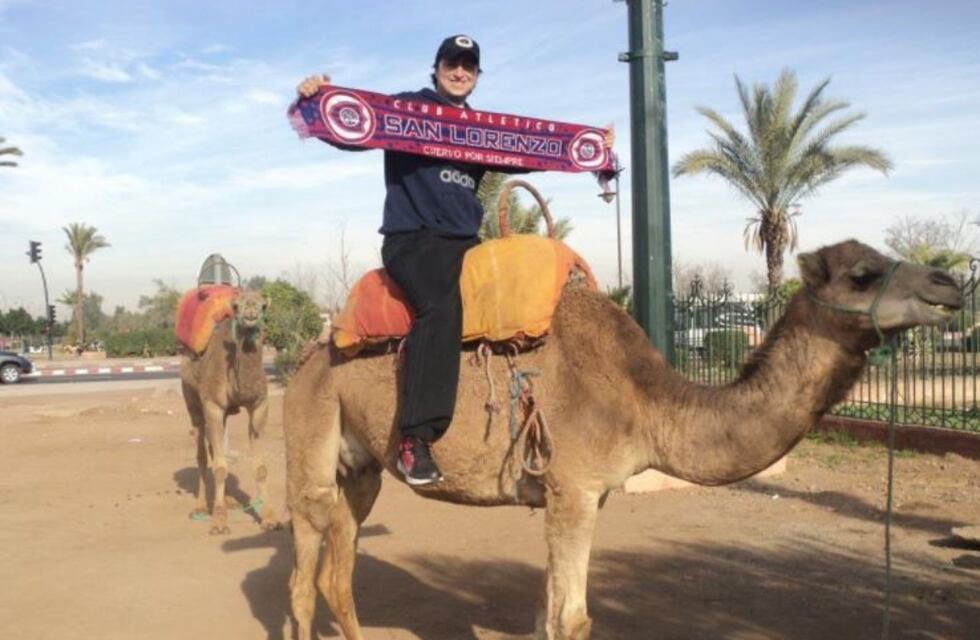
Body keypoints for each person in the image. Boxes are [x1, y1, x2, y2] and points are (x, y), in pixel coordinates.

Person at [297, 34, 613, 486]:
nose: (460, 71)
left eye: (469, 65)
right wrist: (317, 100)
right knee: (441, 307)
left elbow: (533, 150)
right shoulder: (408, 110)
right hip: (414, 241)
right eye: (452, 63)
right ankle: (415, 440)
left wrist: (589, 147)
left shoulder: (481, 130)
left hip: (464, 243)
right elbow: (354, 132)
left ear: (477, 75)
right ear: (437, 67)